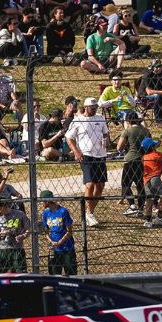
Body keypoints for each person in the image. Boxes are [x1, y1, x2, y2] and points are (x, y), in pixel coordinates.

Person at [65, 97, 110, 226]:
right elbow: (69, 137)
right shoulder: (78, 120)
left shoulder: (100, 118)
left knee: (100, 185)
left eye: (96, 108)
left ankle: (90, 211)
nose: (95, 110)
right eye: (92, 108)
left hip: (100, 155)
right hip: (86, 155)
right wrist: (76, 152)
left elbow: (106, 133)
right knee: (90, 184)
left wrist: (106, 139)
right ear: (86, 107)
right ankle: (89, 213)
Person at [0, 199, 29, 272]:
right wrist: (2, 234)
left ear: (5, 206)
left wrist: (23, 236)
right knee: (5, 274)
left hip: (17, 248)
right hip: (2, 250)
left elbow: (28, 229)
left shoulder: (19, 214)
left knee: (20, 273)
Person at [39, 189, 76, 276]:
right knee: (54, 273)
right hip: (54, 248)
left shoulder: (63, 211)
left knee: (70, 273)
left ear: (47, 201)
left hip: (67, 247)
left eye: (42, 201)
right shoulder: (45, 213)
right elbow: (46, 232)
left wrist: (60, 242)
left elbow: (69, 231)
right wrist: (52, 242)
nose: (42, 203)